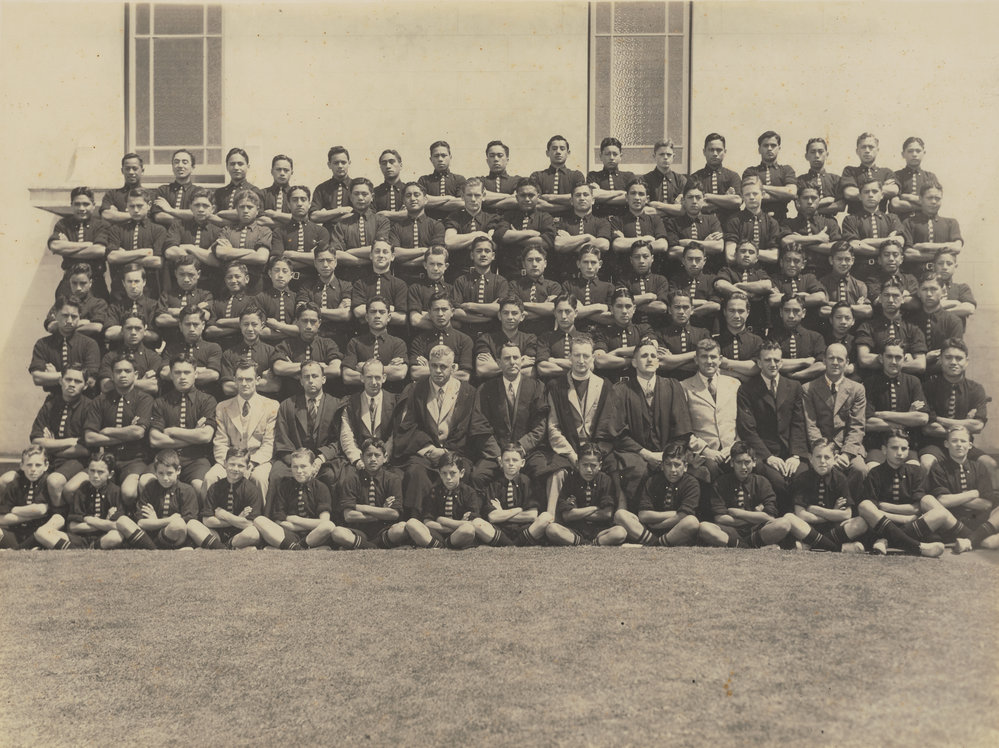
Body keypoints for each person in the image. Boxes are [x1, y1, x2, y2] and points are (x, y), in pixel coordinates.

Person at [397, 345, 501, 516]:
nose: (438, 371)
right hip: (426, 453)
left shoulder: (468, 392)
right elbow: (408, 425)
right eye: (434, 365)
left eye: (443, 366)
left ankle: (459, 520)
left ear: (453, 368)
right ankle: (419, 521)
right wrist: (430, 449)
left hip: (456, 451)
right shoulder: (416, 389)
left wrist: (497, 454)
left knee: (463, 472)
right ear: (429, 365)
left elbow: (478, 425)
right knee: (415, 472)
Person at [546, 334, 624, 510]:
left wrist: (596, 454)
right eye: (577, 355)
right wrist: (572, 455)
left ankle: (619, 513)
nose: (581, 360)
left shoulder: (604, 385)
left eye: (586, 356)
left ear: (592, 358)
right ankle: (552, 516)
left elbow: (609, 425)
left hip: (598, 449)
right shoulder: (556, 386)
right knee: (556, 471)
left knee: (617, 467)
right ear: (569, 357)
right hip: (569, 449)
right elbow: (553, 427)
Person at [613, 338, 692, 500]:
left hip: (669, 450)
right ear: (634, 362)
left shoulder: (672, 386)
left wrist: (667, 456)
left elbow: (682, 428)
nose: (649, 359)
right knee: (638, 471)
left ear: (658, 362)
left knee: (691, 470)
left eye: (653, 356)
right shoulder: (621, 390)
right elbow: (618, 432)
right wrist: (647, 454)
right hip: (636, 453)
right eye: (643, 356)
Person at [736, 340, 809, 513]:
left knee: (802, 475)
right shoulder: (747, 389)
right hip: (764, 454)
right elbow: (748, 430)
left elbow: (798, 424)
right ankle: (782, 526)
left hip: (790, 452)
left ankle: (802, 524)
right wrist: (768, 457)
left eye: (776, 360)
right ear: (759, 363)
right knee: (778, 482)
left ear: (782, 362)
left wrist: (796, 456)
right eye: (768, 360)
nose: (773, 364)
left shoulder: (794, 387)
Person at [471, 341, 550, 488]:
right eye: (507, 358)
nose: (512, 362)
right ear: (499, 363)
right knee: (478, 475)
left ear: (521, 361)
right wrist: (499, 456)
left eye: (515, 357)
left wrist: (520, 448)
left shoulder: (536, 387)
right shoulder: (485, 389)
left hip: (527, 452)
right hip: (497, 453)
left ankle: (535, 509)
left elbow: (541, 425)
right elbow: (480, 426)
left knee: (541, 471)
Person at [338, 439, 440, 549]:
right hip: (358, 530)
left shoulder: (392, 479)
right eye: (369, 455)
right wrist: (381, 511)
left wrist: (360, 507)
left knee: (402, 527)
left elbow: (394, 514)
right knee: (337, 532)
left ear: (385, 457)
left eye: (377, 455)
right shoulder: (351, 479)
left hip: (384, 531)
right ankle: (370, 546)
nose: (373, 459)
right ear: (362, 457)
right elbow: (348, 516)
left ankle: (362, 545)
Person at [83, 353, 154, 505]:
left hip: (134, 459)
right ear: (112, 375)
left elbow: (139, 432)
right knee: (73, 488)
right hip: (105, 459)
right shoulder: (100, 400)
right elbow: (90, 438)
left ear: (135, 375)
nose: (122, 375)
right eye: (118, 371)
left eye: (127, 371)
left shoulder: (144, 399)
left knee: (128, 492)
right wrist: (127, 432)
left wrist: (107, 430)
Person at [919, 338, 995, 478]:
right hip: (935, 446)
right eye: (948, 357)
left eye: (959, 358)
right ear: (941, 360)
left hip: (965, 445)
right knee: (926, 463)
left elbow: (977, 426)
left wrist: (939, 419)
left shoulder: (976, 389)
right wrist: (965, 425)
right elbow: (929, 428)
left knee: (990, 464)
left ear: (966, 361)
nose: (953, 362)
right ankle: (925, 499)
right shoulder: (927, 388)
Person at [148, 353, 216, 501]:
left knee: (201, 487)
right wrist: (194, 436)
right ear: (171, 375)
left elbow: (205, 436)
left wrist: (173, 431)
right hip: (165, 459)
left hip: (195, 459)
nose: (182, 377)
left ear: (196, 374)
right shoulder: (160, 402)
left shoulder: (207, 401)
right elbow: (155, 440)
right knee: (144, 482)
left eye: (187, 372)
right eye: (177, 373)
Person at [204, 360, 279, 496]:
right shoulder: (223, 407)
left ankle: (260, 516)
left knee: (259, 478)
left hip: (258, 460)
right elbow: (220, 442)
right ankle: (209, 515)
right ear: (234, 380)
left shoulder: (271, 406)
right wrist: (232, 464)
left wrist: (253, 462)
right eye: (240, 379)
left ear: (257, 380)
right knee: (211, 477)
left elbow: (269, 443)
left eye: (249, 379)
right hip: (230, 460)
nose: (244, 384)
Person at [697, 441, 792, 548]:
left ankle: (742, 544)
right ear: (732, 463)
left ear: (754, 462)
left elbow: (769, 517)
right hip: (731, 531)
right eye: (739, 462)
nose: (743, 467)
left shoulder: (762, 482)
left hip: (757, 531)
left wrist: (736, 512)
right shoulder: (720, 483)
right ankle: (745, 545)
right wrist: (755, 516)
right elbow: (720, 519)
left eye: (747, 462)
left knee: (784, 524)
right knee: (704, 527)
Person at [802, 343, 868, 490]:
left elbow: (857, 426)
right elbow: (810, 424)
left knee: (859, 469)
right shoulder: (808, 388)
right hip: (819, 446)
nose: (835, 363)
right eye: (831, 358)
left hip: (848, 446)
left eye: (840, 359)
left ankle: (851, 508)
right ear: (824, 361)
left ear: (847, 363)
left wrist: (845, 454)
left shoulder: (857, 389)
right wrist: (824, 451)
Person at [271, 360, 343, 496]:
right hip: (293, 460)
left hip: (323, 461)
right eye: (306, 377)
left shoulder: (335, 405)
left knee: (331, 475)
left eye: (315, 376)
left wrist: (320, 459)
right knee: (277, 474)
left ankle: (328, 515)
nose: (311, 380)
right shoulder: (287, 405)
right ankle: (278, 515)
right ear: (301, 381)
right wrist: (298, 464)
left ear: (324, 379)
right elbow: (282, 440)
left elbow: (339, 441)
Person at [24, 364, 91, 505]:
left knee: (54, 481)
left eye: (78, 381)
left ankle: (59, 516)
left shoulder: (90, 407)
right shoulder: (50, 405)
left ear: (85, 386)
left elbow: (84, 449)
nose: (72, 384)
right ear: (60, 380)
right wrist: (71, 441)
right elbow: (36, 441)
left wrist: (51, 447)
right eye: (68, 379)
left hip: (78, 462)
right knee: (8, 480)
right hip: (50, 459)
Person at [924, 426, 999, 552]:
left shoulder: (979, 467)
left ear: (970, 445)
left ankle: (969, 541)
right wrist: (972, 494)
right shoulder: (939, 468)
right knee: (990, 543)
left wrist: (955, 498)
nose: (959, 445)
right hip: (953, 522)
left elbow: (986, 504)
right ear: (946, 444)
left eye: (963, 441)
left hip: (979, 521)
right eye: (954, 441)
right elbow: (943, 501)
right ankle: (980, 540)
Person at [613, 440, 702, 546]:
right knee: (620, 515)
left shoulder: (691, 483)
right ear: (662, 466)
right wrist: (675, 513)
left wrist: (657, 525)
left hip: (676, 529)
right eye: (668, 464)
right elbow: (643, 515)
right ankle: (655, 542)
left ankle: (656, 543)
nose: (673, 470)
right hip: (649, 531)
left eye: (677, 465)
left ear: (685, 466)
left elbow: (683, 516)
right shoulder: (653, 481)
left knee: (692, 522)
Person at [790, 439, 868, 552]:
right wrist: (832, 513)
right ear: (810, 458)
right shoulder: (802, 479)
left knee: (861, 522)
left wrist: (816, 509)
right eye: (818, 457)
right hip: (809, 528)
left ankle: (811, 545)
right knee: (789, 518)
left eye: (827, 457)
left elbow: (846, 514)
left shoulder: (840, 479)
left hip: (833, 529)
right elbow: (801, 515)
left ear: (835, 459)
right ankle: (839, 548)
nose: (822, 461)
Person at [862, 339, 929, 467]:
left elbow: (922, 418)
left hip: (906, 444)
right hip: (878, 444)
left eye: (898, 357)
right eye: (889, 356)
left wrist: (883, 414)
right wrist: (907, 419)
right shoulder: (870, 383)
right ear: (881, 358)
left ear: (904, 359)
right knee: (872, 468)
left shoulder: (913, 382)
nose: (893, 362)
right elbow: (868, 423)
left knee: (914, 468)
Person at [254, 448, 336, 551]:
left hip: (314, 535)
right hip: (288, 534)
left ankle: (293, 547)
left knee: (329, 526)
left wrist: (294, 519)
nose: (299, 471)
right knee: (259, 520)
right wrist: (303, 525)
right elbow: (279, 521)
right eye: (295, 467)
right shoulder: (284, 487)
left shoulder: (321, 488)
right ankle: (299, 548)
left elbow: (324, 522)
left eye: (303, 466)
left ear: (313, 466)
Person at [682, 338, 740, 480]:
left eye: (713, 357)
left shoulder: (734, 384)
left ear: (720, 359)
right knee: (711, 471)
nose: (709, 361)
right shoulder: (684, 387)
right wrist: (706, 450)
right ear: (696, 359)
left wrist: (734, 446)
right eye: (704, 357)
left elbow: (743, 422)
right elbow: (683, 428)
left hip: (731, 449)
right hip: (702, 453)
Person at [117, 449, 199, 549]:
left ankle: (152, 548)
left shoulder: (186, 490)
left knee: (178, 525)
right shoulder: (150, 488)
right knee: (122, 521)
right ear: (155, 472)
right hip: (151, 535)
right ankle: (154, 549)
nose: (165, 478)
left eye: (169, 473)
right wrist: (166, 520)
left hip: (173, 536)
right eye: (160, 473)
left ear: (178, 470)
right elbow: (141, 522)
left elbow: (185, 523)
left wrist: (155, 522)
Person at [472, 443, 552, 547]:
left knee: (546, 517)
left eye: (515, 460)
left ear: (522, 463)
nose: (511, 464)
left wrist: (502, 513)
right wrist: (518, 510)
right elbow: (492, 517)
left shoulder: (527, 482)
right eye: (507, 460)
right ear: (501, 462)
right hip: (501, 529)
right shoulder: (494, 484)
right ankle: (513, 543)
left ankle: (509, 543)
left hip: (524, 528)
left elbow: (532, 515)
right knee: (476, 523)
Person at [547, 444, 626, 546]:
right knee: (552, 529)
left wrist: (577, 513)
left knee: (620, 532)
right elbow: (567, 516)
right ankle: (582, 542)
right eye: (585, 465)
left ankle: (592, 542)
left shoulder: (605, 480)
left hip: (599, 531)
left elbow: (607, 514)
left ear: (600, 466)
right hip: (575, 530)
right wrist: (594, 508)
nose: (589, 469)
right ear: (577, 464)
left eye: (593, 465)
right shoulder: (571, 480)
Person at [187, 448, 263, 550]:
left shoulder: (251, 489)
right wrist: (238, 519)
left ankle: (219, 547)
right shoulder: (215, 487)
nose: (235, 469)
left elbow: (250, 523)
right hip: (217, 534)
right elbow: (207, 521)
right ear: (225, 463)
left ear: (247, 467)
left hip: (240, 535)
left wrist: (225, 515)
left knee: (253, 533)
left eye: (240, 466)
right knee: (192, 524)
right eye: (232, 464)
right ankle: (224, 548)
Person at [47, 186, 112, 300]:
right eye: (77, 204)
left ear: (93, 205)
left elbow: (99, 250)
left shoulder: (102, 225)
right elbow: (55, 246)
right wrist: (86, 245)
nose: (81, 208)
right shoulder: (63, 224)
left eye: (86, 204)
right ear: (71, 205)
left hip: (95, 283)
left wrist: (67, 249)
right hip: (69, 282)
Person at [105, 188, 167, 301]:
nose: (136, 210)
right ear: (127, 206)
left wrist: (123, 257)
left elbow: (157, 261)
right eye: (132, 206)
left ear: (149, 205)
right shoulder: (116, 229)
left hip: (149, 289)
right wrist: (143, 252)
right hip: (120, 290)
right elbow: (112, 257)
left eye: (139, 206)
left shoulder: (159, 230)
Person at [855, 281, 927, 377]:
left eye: (895, 296)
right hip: (875, 382)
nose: (890, 300)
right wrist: (901, 360)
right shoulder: (868, 326)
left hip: (905, 383)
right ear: (880, 298)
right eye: (886, 295)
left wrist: (880, 360)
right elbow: (864, 360)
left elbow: (920, 365)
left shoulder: (913, 328)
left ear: (902, 299)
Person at [29, 296, 100, 394]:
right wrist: (76, 377)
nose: (70, 321)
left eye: (74, 316)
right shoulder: (43, 344)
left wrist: (55, 376)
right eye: (65, 316)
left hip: (84, 402)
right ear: (56, 315)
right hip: (55, 400)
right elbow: (37, 378)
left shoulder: (90, 344)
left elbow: (91, 381)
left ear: (80, 316)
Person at [339, 359, 399, 475]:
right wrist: (357, 459)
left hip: (387, 461)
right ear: (362, 378)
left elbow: (394, 435)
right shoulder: (350, 403)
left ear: (384, 378)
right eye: (369, 377)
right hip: (359, 460)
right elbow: (346, 435)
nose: (373, 382)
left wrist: (383, 457)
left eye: (377, 377)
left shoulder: (395, 402)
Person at [840, 177, 905, 281]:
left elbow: (900, 241)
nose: (870, 195)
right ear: (860, 196)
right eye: (866, 192)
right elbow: (854, 245)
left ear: (882, 195)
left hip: (887, 272)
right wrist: (885, 249)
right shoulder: (851, 219)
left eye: (875, 191)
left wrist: (867, 241)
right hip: (861, 272)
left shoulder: (892, 218)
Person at [329, 178, 393, 283]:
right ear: (350, 197)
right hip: (349, 279)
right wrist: (368, 260)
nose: (360, 198)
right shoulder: (342, 224)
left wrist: (349, 252)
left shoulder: (382, 221)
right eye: (356, 194)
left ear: (372, 197)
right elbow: (337, 255)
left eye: (364, 194)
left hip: (377, 278)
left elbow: (380, 248)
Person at [271, 302, 343, 392]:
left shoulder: (328, 344)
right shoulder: (287, 344)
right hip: (293, 400)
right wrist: (318, 365)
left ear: (319, 323)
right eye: (305, 321)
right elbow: (278, 368)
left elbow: (335, 370)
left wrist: (295, 371)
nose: (309, 326)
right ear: (297, 321)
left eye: (313, 321)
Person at [609, 180, 672, 281]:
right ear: (626, 197)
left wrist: (627, 241)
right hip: (625, 277)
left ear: (647, 199)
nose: (637, 198)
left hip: (652, 277)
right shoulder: (617, 220)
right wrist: (646, 239)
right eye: (633, 193)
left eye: (641, 194)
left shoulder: (655, 219)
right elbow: (617, 245)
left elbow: (662, 245)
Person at [213, 189, 273, 295]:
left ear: (257, 210)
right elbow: (220, 253)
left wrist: (230, 253)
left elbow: (261, 258)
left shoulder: (264, 231)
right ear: (236, 209)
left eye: (250, 207)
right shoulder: (228, 230)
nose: (245, 210)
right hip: (229, 285)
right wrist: (251, 253)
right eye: (241, 207)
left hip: (255, 286)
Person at [341, 296, 408, 389]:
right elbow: (347, 376)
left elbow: (400, 373)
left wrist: (365, 368)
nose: (377, 316)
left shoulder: (398, 343)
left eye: (382, 312)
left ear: (388, 317)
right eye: (373, 312)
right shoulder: (355, 342)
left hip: (390, 397)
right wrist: (388, 370)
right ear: (367, 317)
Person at [494, 179, 557, 279]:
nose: (527, 199)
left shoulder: (545, 217)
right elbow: (500, 236)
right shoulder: (508, 216)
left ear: (538, 197)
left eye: (531, 195)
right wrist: (529, 233)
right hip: (510, 275)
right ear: (517, 197)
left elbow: (547, 242)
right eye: (523, 195)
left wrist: (514, 237)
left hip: (537, 277)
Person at [62, 453, 126, 549]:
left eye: (100, 472)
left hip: (104, 537)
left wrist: (89, 520)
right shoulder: (81, 490)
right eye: (92, 471)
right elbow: (73, 527)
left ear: (110, 474)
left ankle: (92, 547)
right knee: (45, 534)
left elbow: (117, 526)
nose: (95, 476)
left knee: (116, 537)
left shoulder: (115, 491)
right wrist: (104, 523)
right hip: (81, 537)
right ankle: (78, 547)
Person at [272, 185, 330, 290]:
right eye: (295, 200)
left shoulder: (321, 231)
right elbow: (276, 261)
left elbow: (323, 260)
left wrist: (291, 254)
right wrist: (311, 259)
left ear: (309, 204)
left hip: (314, 285)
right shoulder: (279, 232)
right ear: (288, 204)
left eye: (303, 199)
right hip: (287, 285)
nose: (299, 204)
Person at [295, 244, 353, 348]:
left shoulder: (345, 285)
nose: (325, 265)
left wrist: (314, 310)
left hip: (339, 340)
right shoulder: (306, 286)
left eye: (329, 260)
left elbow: (345, 315)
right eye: (321, 261)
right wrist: (335, 313)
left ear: (335, 262)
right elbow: (301, 311)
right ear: (315, 263)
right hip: (312, 340)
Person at [779, 182, 842, 277]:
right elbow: (785, 241)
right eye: (805, 198)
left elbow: (836, 249)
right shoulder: (789, 223)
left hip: (825, 274)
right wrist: (818, 238)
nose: (809, 201)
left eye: (814, 198)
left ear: (819, 200)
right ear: (798, 201)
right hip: (797, 276)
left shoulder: (829, 222)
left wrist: (800, 242)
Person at [552, 184, 612, 281]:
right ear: (571, 201)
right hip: (567, 278)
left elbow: (604, 244)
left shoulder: (602, 222)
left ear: (593, 200)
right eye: (578, 195)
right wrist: (587, 237)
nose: (582, 198)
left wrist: (570, 243)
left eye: (585, 194)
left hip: (596, 279)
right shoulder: (562, 222)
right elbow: (558, 245)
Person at [452, 236, 509, 339]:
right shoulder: (461, 281)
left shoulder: (501, 282)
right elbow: (456, 312)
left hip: (493, 337)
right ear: (472, 255)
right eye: (479, 251)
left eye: (487, 251)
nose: (483, 254)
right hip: (466, 336)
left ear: (493, 256)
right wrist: (488, 316)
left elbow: (500, 309)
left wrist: (470, 306)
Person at [388, 181, 446, 281]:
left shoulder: (436, 225)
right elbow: (395, 254)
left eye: (417, 195)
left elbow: (437, 255)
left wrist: (405, 262)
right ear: (403, 201)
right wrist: (424, 251)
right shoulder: (396, 227)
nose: (412, 199)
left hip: (430, 279)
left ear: (425, 199)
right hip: (403, 281)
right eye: (408, 195)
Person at [218, 306, 281, 398]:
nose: (250, 329)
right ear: (240, 325)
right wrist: (261, 383)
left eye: (254, 324)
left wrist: (238, 384)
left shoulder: (271, 352)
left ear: (262, 326)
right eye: (246, 324)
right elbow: (227, 388)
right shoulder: (229, 354)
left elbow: (275, 386)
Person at [421, 452, 480, 549]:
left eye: (452, 473)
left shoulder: (469, 492)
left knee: (468, 530)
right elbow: (427, 521)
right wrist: (456, 525)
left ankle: (444, 545)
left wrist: (441, 520)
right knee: (412, 524)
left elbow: (471, 523)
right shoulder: (434, 492)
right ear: (439, 473)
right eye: (444, 473)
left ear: (461, 473)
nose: (448, 478)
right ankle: (441, 544)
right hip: (437, 533)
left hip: (460, 534)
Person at [443, 177, 500, 278]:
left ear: (483, 196)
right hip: (458, 275)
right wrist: (479, 235)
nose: (473, 199)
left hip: (486, 275)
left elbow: (491, 244)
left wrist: (462, 241)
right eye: (469, 195)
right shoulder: (454, 218)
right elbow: (449, 242)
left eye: (477, 195)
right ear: (462, 196)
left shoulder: (492, 218)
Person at [409, 292, 473, 382]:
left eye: (444, 309)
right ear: (430, 313)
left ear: (452, 312)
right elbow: (415, 373)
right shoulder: (420, 340)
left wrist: (430, 367)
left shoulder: (464, 340)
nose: (440, 314)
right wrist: (451, 368)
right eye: (436, 309)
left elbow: (465, 376)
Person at [909, 273, 964, 376]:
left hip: (942, 378)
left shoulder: (953, 321)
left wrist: (921, 364)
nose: (929, 294)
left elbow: (954, 355)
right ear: (919, 293)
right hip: (914, 378)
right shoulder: (910, 321)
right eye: (924, 289)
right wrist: (924, 360)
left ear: (943, 292)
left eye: (933, 289)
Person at [901, 183, 963, 275]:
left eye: (937, 198)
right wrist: (942, 256)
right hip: (915, 277)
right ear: (921, 199)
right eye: (929, 198)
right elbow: (908, 254)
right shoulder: (909, 222)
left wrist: (925, 246)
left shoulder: (951, 223)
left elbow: (957, 247)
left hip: (942, 276)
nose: (934, 201)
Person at [158, 305, 222, 393]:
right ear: (180, 326)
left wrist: (178, 374)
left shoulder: (213, 348)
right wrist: (199, 371)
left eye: (195, 324)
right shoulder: (172, 349)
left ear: (203, 325)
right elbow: (164, 372)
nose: (191, 329)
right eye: (187, 324)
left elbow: (213, 375)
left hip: (204, 398)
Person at [713, 241, 774, 334]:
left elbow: (767, 285)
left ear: (757, 258)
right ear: (735, 254)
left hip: (756, 323)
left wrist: (740, 285)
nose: (746, 255)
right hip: (730, 325)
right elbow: (720, 284)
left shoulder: (759, 273)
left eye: (751, 252)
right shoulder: (728, 271)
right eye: (743, 251)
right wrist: (746, 294)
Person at [0, 446, 54, 550]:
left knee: (43, 536)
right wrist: (30, 514)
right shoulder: (15, 484)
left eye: (38, 465)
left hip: (36, 534)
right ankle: (17, 549)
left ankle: (19, 549)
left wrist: (14, 510)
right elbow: (2, 519)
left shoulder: (47, 482)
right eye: (29, 465)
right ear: (22, 466)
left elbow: (41, 510)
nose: (33, 469)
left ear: (46, 466)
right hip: (16, 532)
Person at [723, 176, 784, 265]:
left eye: (755, 193)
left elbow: (774, 256)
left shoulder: (772, 223)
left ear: (762, 194)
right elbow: (730, 256)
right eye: (747, 194)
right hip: (739, 273)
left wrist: (745, 253)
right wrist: (762, 254)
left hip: (765, 273)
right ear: (743, 197)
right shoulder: (734, 221)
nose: (751, 197)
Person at [473, 296, 538, 380]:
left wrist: (495, 367)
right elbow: (482, 370)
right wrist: (520, 364)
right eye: (505, 313)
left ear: (522, 317)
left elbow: (530, 372)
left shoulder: (530, 339)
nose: (510, 317)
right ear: (499, 316)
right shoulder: (486, 339)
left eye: (514, 313)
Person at [154, 256, 214, 346]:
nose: (186, 279)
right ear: (175, 274)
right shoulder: (167, 295)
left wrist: (172, 311)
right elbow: (160, 320)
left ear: (198, 274)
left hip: (198, 346)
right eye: (182, 274)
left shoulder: (205, 295)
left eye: (190, 275)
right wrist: (195, 310)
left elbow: (205, 316)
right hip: (172, 346)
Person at [43, 262, 111, 342]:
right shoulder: (62, 301)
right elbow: (50, 327)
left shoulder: (98, 303)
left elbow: (96, 327)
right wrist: (81, 323)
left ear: (90, 283)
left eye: (83, 283)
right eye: (74, 283)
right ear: (70, 282)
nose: (78, 288)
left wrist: (64, 327)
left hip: (89, 347)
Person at [350, 240, 408, 332]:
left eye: (385, 252)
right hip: (364, 337)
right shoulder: (360, 283)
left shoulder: (400, 284)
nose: (381, 255)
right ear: (371, 256)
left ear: (392, 257)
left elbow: (401, 318)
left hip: (392, 337)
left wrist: (369, 314)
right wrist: (391, 309)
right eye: (377, 251)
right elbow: (358, 312)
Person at [767, 294, 826, 382]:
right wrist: (804, 361)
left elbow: (822, 365)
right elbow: (772, 363)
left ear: (803, 313)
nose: (791, 315)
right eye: (787, 310)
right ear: (781, 312)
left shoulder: (815, 337)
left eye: (796, 311)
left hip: (808, 386)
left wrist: (797, 375)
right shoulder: (773, 337)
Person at [593, 289, 652, 377]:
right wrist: (632, 360)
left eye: (628, 306)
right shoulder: (603, 333)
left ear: (634, 309)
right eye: (619, 306)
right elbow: (599, 360)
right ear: (612, 309)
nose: (624, 311)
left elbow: (650, 349)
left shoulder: (644, 329)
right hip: (612, 385)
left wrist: (618, 352)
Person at [669, 181, 725, 272]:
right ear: (683, 201)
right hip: (681, 275)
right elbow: (672, 252)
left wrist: (688, 242)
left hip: (708, 274)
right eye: (690, 197)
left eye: (698, 197)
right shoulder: (673, 222)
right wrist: (705, 245)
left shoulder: (712, 220)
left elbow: (719, 246)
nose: (694, 201)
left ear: (703, 200)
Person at [742, 131, 797, 221]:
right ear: (759, 149)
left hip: (781, 219)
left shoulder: (786, 170)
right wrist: (782, 195)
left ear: (779, 148)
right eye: (765, 145)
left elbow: (791, 192)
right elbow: (751, 196)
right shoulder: (750, 171)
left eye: (773, 145)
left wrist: (761, 187)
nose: (769, 148)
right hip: (754, 220)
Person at [839, 133, 899, 216]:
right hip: (856, 220)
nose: (867, 150)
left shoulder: (886, 172)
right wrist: (879, 190)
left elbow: (894, 190)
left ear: (877, 150)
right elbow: (849, 193)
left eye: (871, 147)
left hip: (881, 220)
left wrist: (861, 192)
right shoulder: (850, 171)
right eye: (863, 147)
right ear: (857, 151)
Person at [100, 315, 161, 394]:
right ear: (122, 331)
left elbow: (153, 387)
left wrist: (120, 381)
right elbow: (105, 387)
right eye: (129, 328)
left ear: (145, 331)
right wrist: (141, 382)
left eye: (138, 328)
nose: (133, 333)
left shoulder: (153, 357)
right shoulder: (110, 357)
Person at [529, 134, 586, 218]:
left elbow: (580, 198)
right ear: (547, 153)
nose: (558, 152)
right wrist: (569, 205)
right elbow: (537, 203)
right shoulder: (537, 176)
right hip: (542, 222)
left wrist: (551, 197)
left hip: (569, 222)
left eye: (562, 149)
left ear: (568, 153)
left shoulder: (576, 175)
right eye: (554, 149)